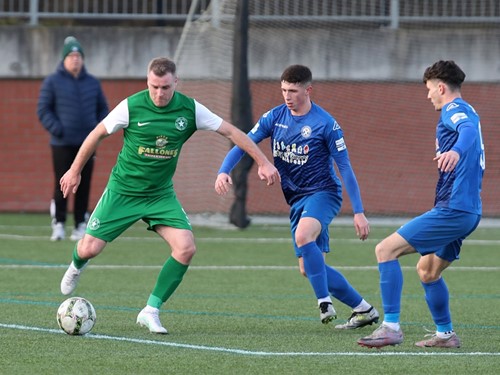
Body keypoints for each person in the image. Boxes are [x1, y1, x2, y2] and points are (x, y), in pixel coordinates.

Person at [58, 57, 279, 334]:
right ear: (147, 83)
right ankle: (77, 266)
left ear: (176, 82)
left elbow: (231, 131)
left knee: (186, 247)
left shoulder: (189, 109)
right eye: (154, 87)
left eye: (165, 87)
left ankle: (150, 311)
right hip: (123, 192)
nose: (159, 94)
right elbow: (97, 134)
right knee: (90, 248)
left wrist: (263, 162)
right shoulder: (132, 106)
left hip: (160, 194)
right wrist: (75, 170)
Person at [215, 64, 379, 329]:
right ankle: (364, 309)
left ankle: (324, 302)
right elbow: (245, 141)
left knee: (304, 237)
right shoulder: (275, 116)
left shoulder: (326, 124)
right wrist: (224, 171)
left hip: (324, 194)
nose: (287, 96)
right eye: (283, 90)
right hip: (296, 199)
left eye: (292, 90)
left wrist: (358, 211)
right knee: (309, 269)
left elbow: (345, 168)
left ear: (308, 90)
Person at [358, 60, 484, 349]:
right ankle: (446, 335)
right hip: (467, 210)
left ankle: (390, 327)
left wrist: (454, 150)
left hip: (454, 208)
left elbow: (467, 132)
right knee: (427, 271)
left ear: (441, 87)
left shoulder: (455, 110)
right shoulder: (468, 110)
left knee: (385, 249)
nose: (428, 95)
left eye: (429, 89)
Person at [38, 36, 109, 242]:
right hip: (61, 143)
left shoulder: (92, 83)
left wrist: (97, 129)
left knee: (84, 183)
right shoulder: (53, 81)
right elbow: (43, 110)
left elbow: (103, 109)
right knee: (62, 182)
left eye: (78, 56)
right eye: (71, 56)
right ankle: (59, 223)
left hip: (87, 143)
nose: (75, 60)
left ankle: (80, 224)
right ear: (64, 59)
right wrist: (57, 129)